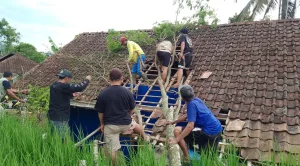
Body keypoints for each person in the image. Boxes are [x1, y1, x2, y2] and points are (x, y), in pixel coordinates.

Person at [95, 68, 148, 166]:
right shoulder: (127, 92)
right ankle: (145, 137)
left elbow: (100, 112)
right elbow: (132, 108)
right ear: (122, 79)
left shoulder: (103, 93)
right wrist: (129, 116)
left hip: (111, 127)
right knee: (135, 125)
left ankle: (115, 164)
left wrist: (102, 124)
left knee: (112, 149)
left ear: (109, 79)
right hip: (126, 124)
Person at [168, 85, 222, 161]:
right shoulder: (197, 100)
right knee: (209, 157)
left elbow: (190, 126)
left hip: (209, 133)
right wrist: (172, 122)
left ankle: (187, 157)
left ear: (183, 98)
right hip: (218, 129)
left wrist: (176, 140)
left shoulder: (191, 104)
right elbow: (186, 116)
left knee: (177, 131)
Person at [48, 69, 91, 139]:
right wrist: (87, 80)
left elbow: (60, 96)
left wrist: (72, 95)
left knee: (54, 138)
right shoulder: (63, 86)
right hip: (60, 118)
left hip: (52, 116)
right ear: (66, 78)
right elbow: (80, 87)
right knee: (62, 139)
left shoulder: (54, 86)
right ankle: (62, 150)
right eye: (69, 79)